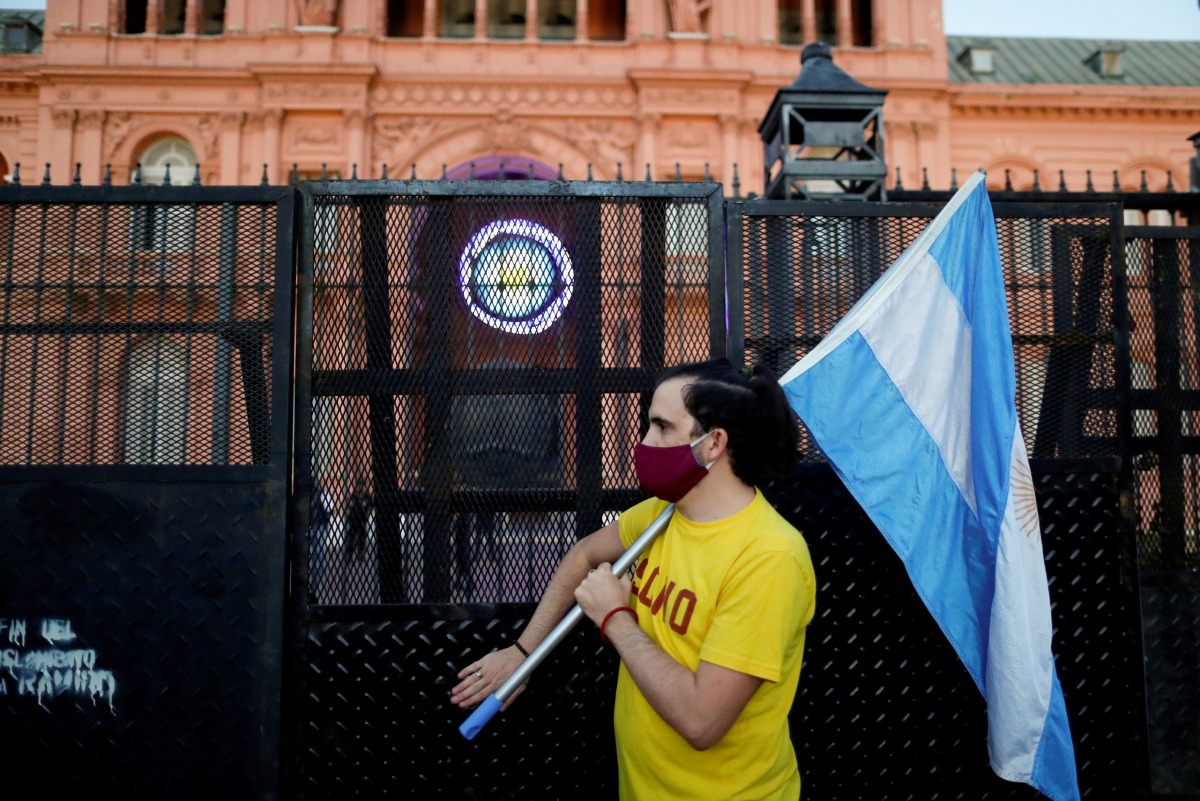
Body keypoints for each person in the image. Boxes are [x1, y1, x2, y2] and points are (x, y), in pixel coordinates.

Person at [450, 359, 817, 800]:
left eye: (662, 427)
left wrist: (616, 618)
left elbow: (703, 722)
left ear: (713, 443)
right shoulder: (662, 515)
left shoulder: (769, 558)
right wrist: (523, 653)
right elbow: (583, 553)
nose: (644, 443)